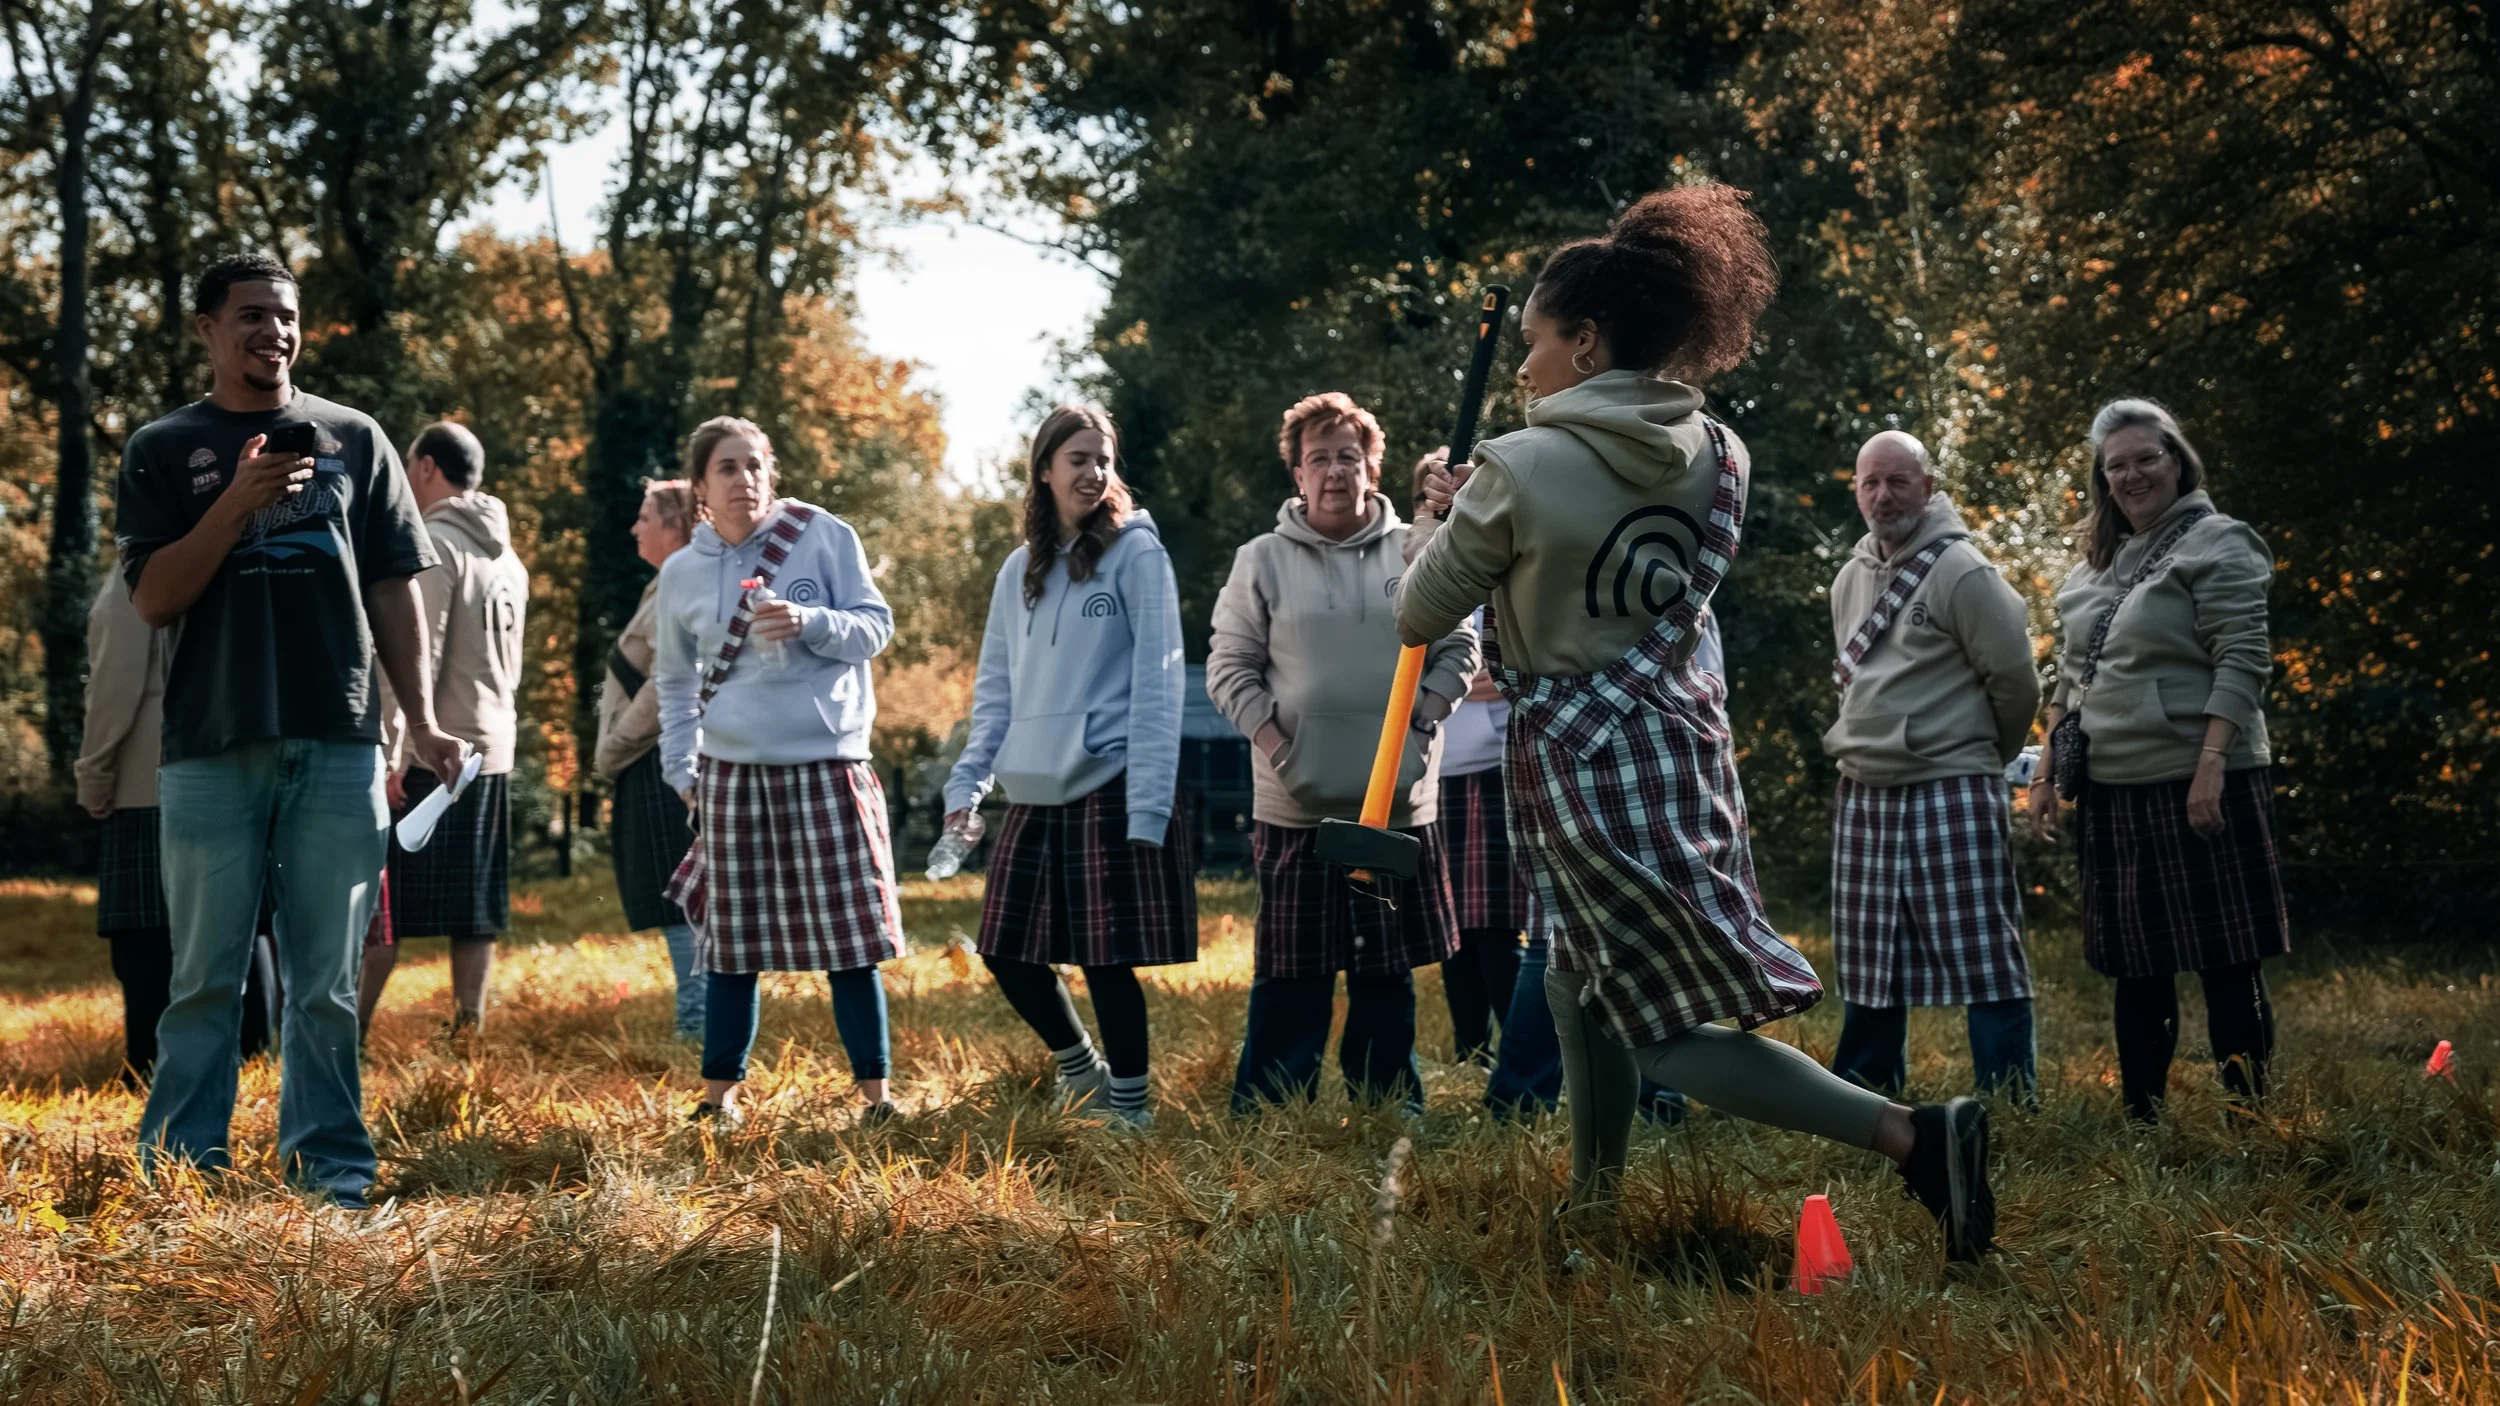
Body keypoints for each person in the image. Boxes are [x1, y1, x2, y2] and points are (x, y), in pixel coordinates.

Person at [1399, 183, 1995, 1262]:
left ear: (1584, 343)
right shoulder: (1721, 450)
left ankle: (1914, 1135)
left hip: (1580, 770)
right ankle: (1593, 1203)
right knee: (1580, 976)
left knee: (1661, 1032)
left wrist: (1439, 517)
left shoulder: (1518, 465)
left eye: (1536, 342)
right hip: (1676, 747)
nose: (1525, 365)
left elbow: (1417, 608)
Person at [116, 253, 464, 1209]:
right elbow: (152, 600)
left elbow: (394, 587)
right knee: (203, 981)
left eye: (284, 316)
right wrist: (237, 499)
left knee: (326, 983)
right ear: (206, 329)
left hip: (340, 738)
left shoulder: (357, 438)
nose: (272, 332)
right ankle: (184, 1177)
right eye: (250, 316)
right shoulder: (161, 447)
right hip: (209, 750)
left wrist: (423, 721)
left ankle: (333, 1176)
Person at [1208, 392, 1479, 1113]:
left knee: (1384, 970)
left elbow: (1458, 644)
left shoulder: (1414, 549)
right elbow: (1228, 664)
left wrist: (1420, 726)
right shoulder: (1260, 560)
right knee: (1292, 971)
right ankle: (1270, 1107)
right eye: (1318, 458)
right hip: (1295, 804)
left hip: (1393, 804)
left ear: (1373, 467)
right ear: (1296, 474)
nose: (1334, 471)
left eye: (1348, 457)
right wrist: (1276, 744)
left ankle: (1389, 1104)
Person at [2029, 398, 2285, 1123]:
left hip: (2204, 780)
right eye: (2118, 467)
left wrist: (2212, 764)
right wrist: (2048, 772)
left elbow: (2243, 660)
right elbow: (2068, 679)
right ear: (2103, 481)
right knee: (2136, 969)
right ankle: (2144, 1122)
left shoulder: (2221, 543)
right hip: (2114, 789)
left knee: (2228, 962)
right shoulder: (2093, 570)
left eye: (2148, 459)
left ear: (2178, 461)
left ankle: (2251, 1120)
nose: (2134, 475)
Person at [943, 406, 1192, 1129]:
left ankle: (1132, 1112)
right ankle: (1080, 1067)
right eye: (1077, 458)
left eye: (1104, 459)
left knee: (1106, 960)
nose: (1093, 472)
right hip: (1033, 788)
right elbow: (994, 690)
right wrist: (968, 784)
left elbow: (1161, 678)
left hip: (1109, 781)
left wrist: (1149, 802)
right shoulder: (1017, 570)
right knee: (1004, 950)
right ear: (1045, 470)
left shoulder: (1139, 554)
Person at [654, 416, 903, 1127]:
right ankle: (718, 1101)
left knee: (852, 942)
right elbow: (674, 683)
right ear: (701, 486)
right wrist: (682, 768)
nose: (745, 480)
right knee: (731, 945)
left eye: (756, 465)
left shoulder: (825, 536)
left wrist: (810, 620)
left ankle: (877, 1100)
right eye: (727, 469)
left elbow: (875, 627)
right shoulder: (683, 573)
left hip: (828, 763)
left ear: (773, 472)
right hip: (731, 771)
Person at [1823, 431, 2041, 1099]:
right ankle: (1864, 1096)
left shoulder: (1963, 571)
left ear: (1929, 487)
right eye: (1870, 483)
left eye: (1898, 481)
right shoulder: (1849, 578)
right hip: (1865, 786)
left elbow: (2016, 684)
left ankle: (2007, 1097)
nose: (1883, 496)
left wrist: (1976, 757)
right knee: (1868, 952)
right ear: (1857, 490)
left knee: (1983, 951)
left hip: (1950, 784)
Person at [74, 574, 278, 1083]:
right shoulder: (245, 560)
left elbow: (115, 687)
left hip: (151, 773)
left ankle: (149, 1067)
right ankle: (254, 1057)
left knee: (143, 935)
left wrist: (94, 772)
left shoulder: (141, 570)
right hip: (238, 768)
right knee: (241, 924)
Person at [361, 422, 529, 1038]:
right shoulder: (508, 556)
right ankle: (469, 1030)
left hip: (436, 752)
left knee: (386, 909)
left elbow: (414, 653)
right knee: (474, 906)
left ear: (428, 468)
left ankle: (346, 1036)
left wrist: (393, 750)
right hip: (493, 747)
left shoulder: (434, 542)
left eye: (409, 467)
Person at [595, 478, 705, 1041]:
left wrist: (612, 749)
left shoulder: (675, 589)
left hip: (660, 759)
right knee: (678, 896)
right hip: (652, 759)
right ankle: (696, 1022)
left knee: (684, 899)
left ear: (677, 526)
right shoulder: (663, 586)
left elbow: (667, 686)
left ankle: (698, 1024)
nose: (636, 527)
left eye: (646, 517)